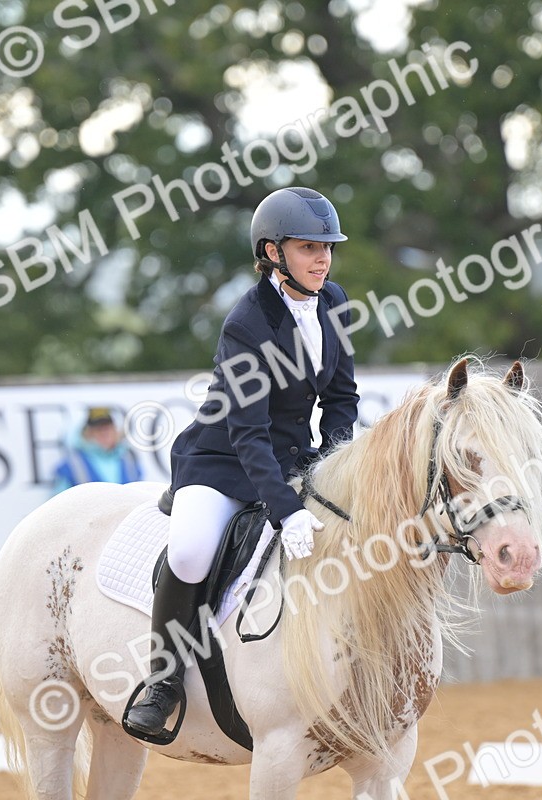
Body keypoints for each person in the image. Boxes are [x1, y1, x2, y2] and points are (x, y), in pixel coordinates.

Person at [124, 186, 360, 737]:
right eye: (308, 247)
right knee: (189, 552)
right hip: (223, 462)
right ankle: (162, 682)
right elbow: (247, 432)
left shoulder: (335, 302)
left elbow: (342, 399)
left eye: (327, 247)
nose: (322, 259)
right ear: (273, 253)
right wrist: (287, 509)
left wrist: (332, 463)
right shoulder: (247, 323)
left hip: (294, 459)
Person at [51, 407, 143, 494]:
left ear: (116, 430)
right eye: (99, 429)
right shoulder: (71, 465)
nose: (104, 433)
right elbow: (59, 504)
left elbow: (142, 494)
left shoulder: (129, 460)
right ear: (88, 433)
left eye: (108, 427)